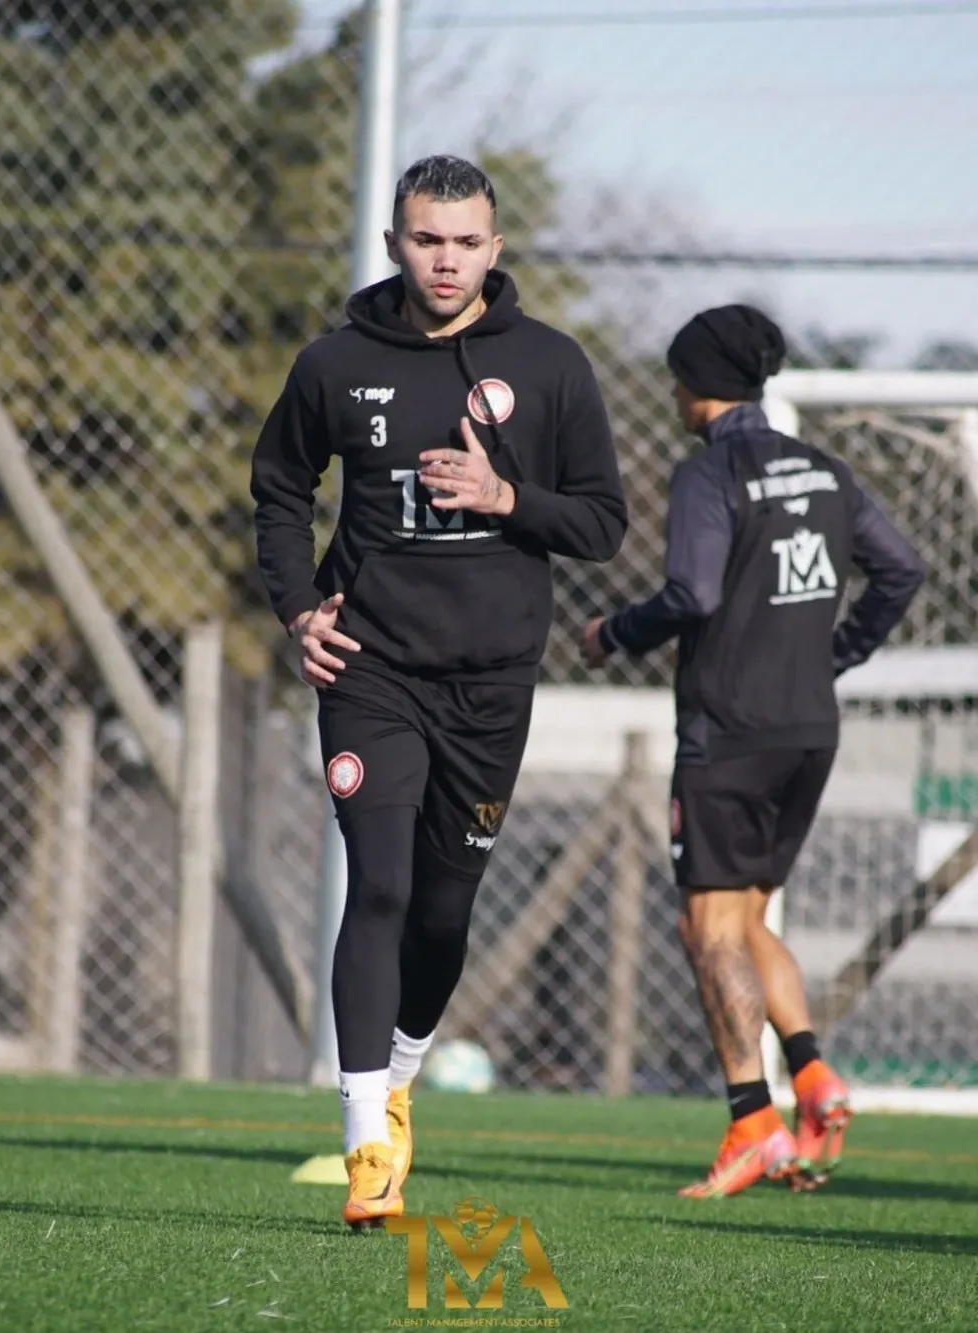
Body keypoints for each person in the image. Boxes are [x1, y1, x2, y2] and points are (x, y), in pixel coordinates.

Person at [251, 155, 627, 1228]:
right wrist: (296, 607)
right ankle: (365, 1137)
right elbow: (279, 489)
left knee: (443, 907)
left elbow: (600, 524)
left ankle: (403, 1071)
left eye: (465, 241)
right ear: (394, 246)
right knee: (376, 885)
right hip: (368, 668)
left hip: (492, 680)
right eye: (426, 239)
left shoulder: (549, 367)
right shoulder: (334, 363)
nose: (445, 259)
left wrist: (507, 494)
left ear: (494, 249)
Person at [581, 304, 924, 1199]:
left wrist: (614, 631)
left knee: (708, 928)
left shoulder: (710, 471)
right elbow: (904, 570)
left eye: (674, 375)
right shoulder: (826, 471)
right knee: (749, 919)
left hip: (728, 731)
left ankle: (751, 1120)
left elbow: (691, 593)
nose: (670, 389)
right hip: (810, 729)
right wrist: (834, 654)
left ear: (695, 384)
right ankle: (814, 1079)